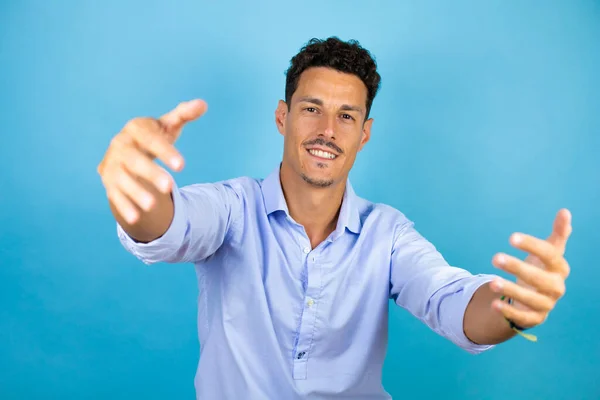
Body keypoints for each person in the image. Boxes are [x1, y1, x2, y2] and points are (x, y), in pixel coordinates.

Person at [97, 37, 572, 399]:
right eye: (311, 109)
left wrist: (512, 307)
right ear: (282, 117)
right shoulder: (231, 208)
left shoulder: (387, 234)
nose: (327, 130)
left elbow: (448, 297)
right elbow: (167, 224)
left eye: (346, 116)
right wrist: (134, 187)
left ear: (364, 134)